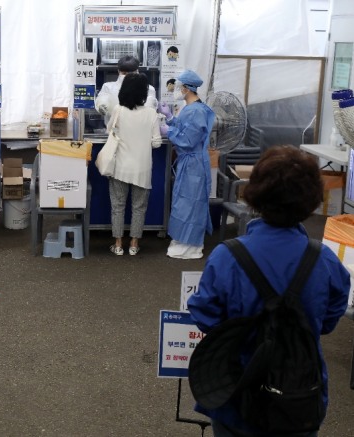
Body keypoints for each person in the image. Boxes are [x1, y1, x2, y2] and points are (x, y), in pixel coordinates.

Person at [187, 145, 350, 437]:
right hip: (300, 395)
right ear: (312, 198)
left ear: (255, 193)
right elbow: (329, 319)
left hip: (236, 392)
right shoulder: (324, 260)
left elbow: (204, 314)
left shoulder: (228, 256)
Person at [158, 69, 215, 259]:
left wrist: (169, 131)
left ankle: (190, 246)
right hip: (188, 163)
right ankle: (181, 240)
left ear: (186, 89)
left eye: (178, 87)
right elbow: (185, 129)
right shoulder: (191, 109)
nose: (175, 90)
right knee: (183, 202)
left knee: (191, 204)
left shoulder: (196, 111)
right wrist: (170, 118)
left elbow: (188, 140)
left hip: (194, 164)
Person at [107, 73, 162, 256]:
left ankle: (118, 245)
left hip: (120, 168)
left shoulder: (118, 110)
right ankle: (133, 244)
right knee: (139, 208)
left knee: (118, 206)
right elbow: (156, 143)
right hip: (142, 169)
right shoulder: (152, 113)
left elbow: (110, 131)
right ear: (144, 93)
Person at [95, 56, 157, 127]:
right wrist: (101, 105)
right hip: (115, 133)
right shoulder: (108, 87)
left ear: (137, 71)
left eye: (131, 73)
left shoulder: (148, 89)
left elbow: (150, 108)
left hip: (139, 132)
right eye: (124, 73)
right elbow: (102, 100)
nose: (128, 76)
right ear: (118, 71)